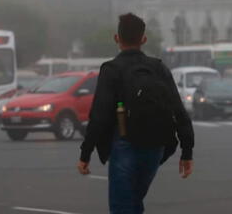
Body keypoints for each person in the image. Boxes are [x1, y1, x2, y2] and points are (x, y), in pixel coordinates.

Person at [77, 13, 195, 214]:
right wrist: (187, 151)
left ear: (117, 38)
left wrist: (85, 153)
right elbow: (178, 109)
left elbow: (99, 115)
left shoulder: (111, 69)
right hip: (156, 146)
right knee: (133, 203)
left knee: (123, 206)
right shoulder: (158, 68)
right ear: (144, 39)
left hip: (124, 143)